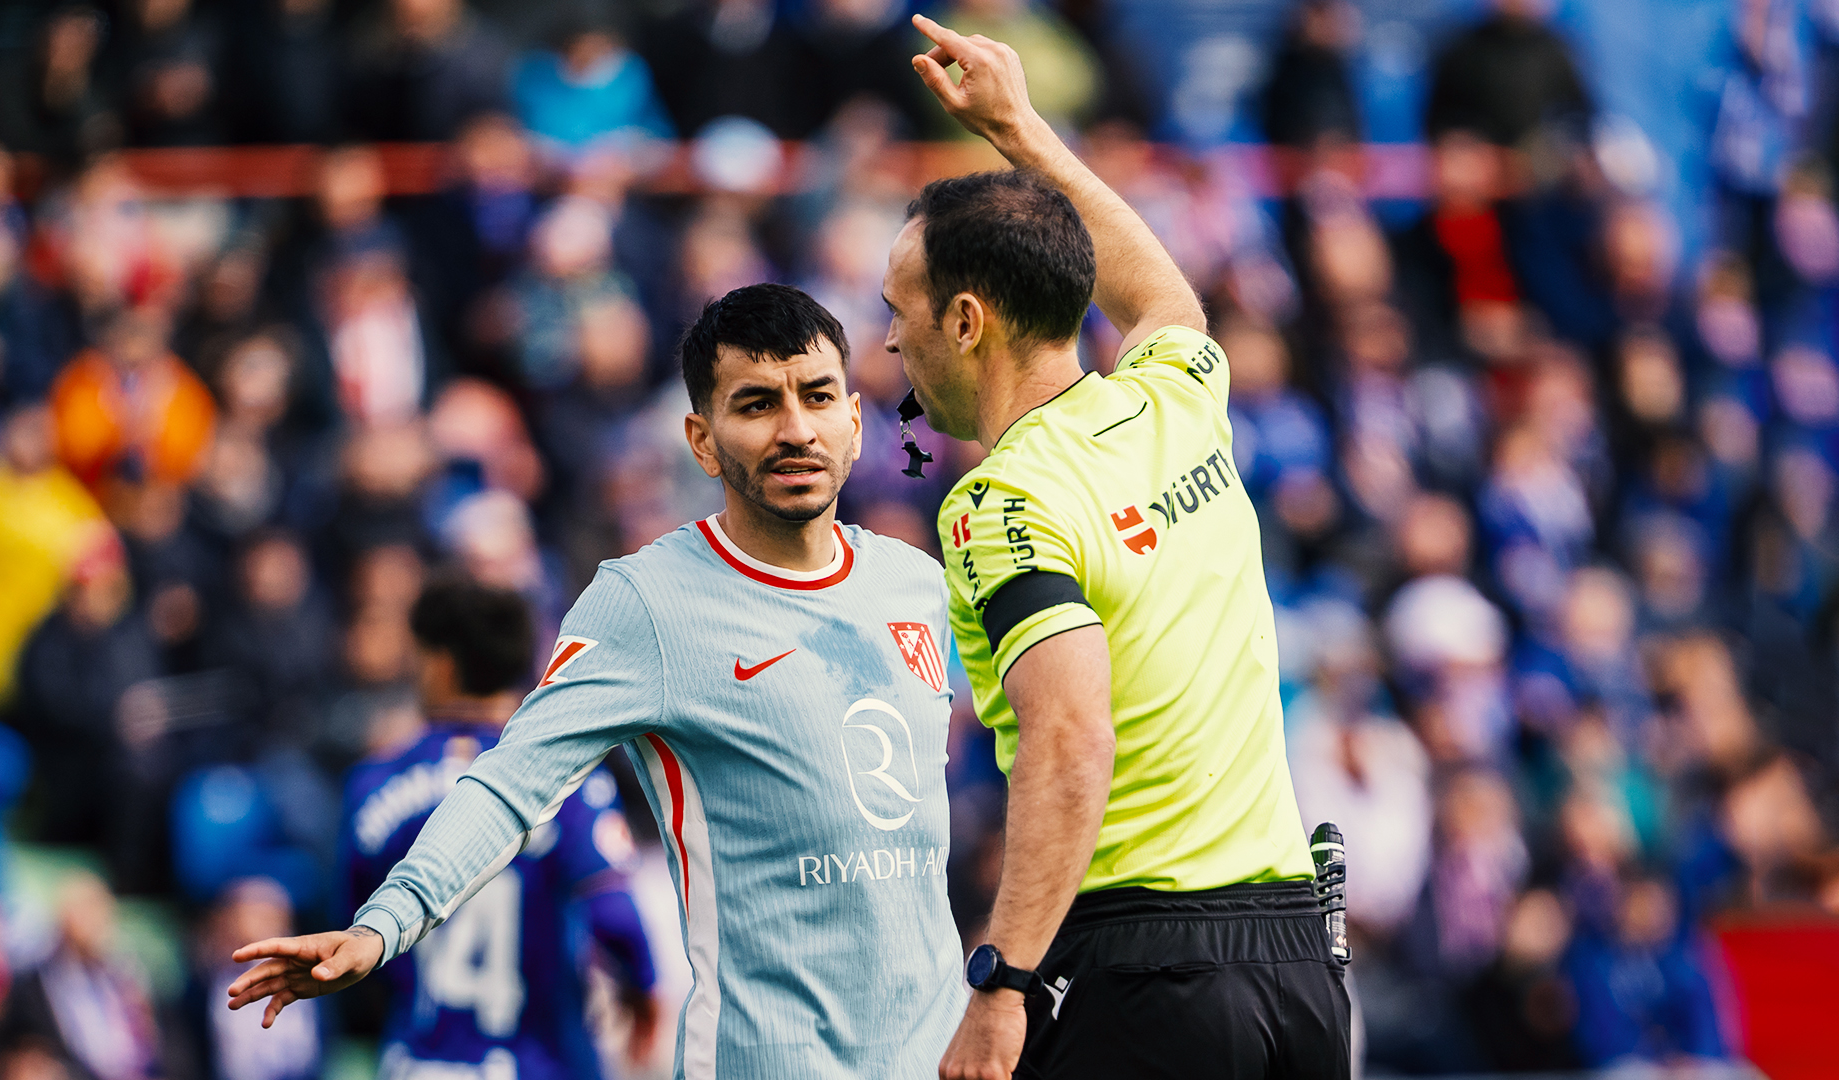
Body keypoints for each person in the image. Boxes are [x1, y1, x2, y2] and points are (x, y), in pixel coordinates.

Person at [227, 284, 967, 1079]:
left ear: (855, 419)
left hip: (937, 1056)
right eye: (755, 405)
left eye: (817, 396)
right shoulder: (646, 603)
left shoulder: (915, 583)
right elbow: (509, 784)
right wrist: (384, 925)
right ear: (702, 440)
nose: (795, 429)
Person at [887, 17, 1349, 1079]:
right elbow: (1161, 293)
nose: (889, 344)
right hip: (1300, 975)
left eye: (898, 313)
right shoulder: (1179, 395)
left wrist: (1001, 985)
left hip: (1148, 980)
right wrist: (1021, 131)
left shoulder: (999, 503)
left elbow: (1068, 743)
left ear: (965, 322)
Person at [338, 576, 658, 1080]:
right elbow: (614, 915)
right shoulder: (565, 782)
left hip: (415, 1062)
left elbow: (353, 935)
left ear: (440, 663)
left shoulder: (372, 785)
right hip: (535, 1061)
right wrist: (644, 992)